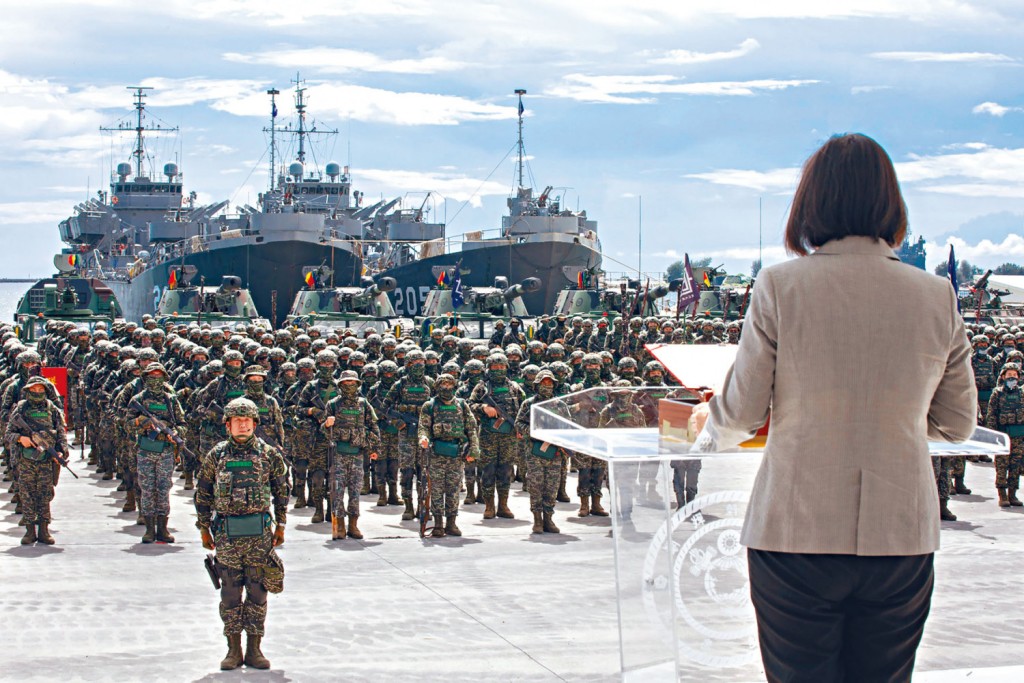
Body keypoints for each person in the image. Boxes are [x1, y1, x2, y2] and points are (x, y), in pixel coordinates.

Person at [692, 134, 977, 682]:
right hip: (901, 536)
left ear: (810, 205)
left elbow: (742, 412)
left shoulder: (780, 285)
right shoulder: (936, 295)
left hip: (795, 534)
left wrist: (707, 421)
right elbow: (957, 422)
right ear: (891, 207)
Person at [195, 398, 288, 670]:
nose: (243, 424)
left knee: (258, 592)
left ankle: (255, 649)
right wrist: (203, 528)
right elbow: (203, 494)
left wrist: (281, 524)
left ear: (255, 424)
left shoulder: (269, 454)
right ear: (228, 425)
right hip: (227, 537)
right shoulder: (217, 455)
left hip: (259, 536)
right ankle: (233, 650)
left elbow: (282, 491)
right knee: (231, 595)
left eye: (247, 420)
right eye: (237, 420)